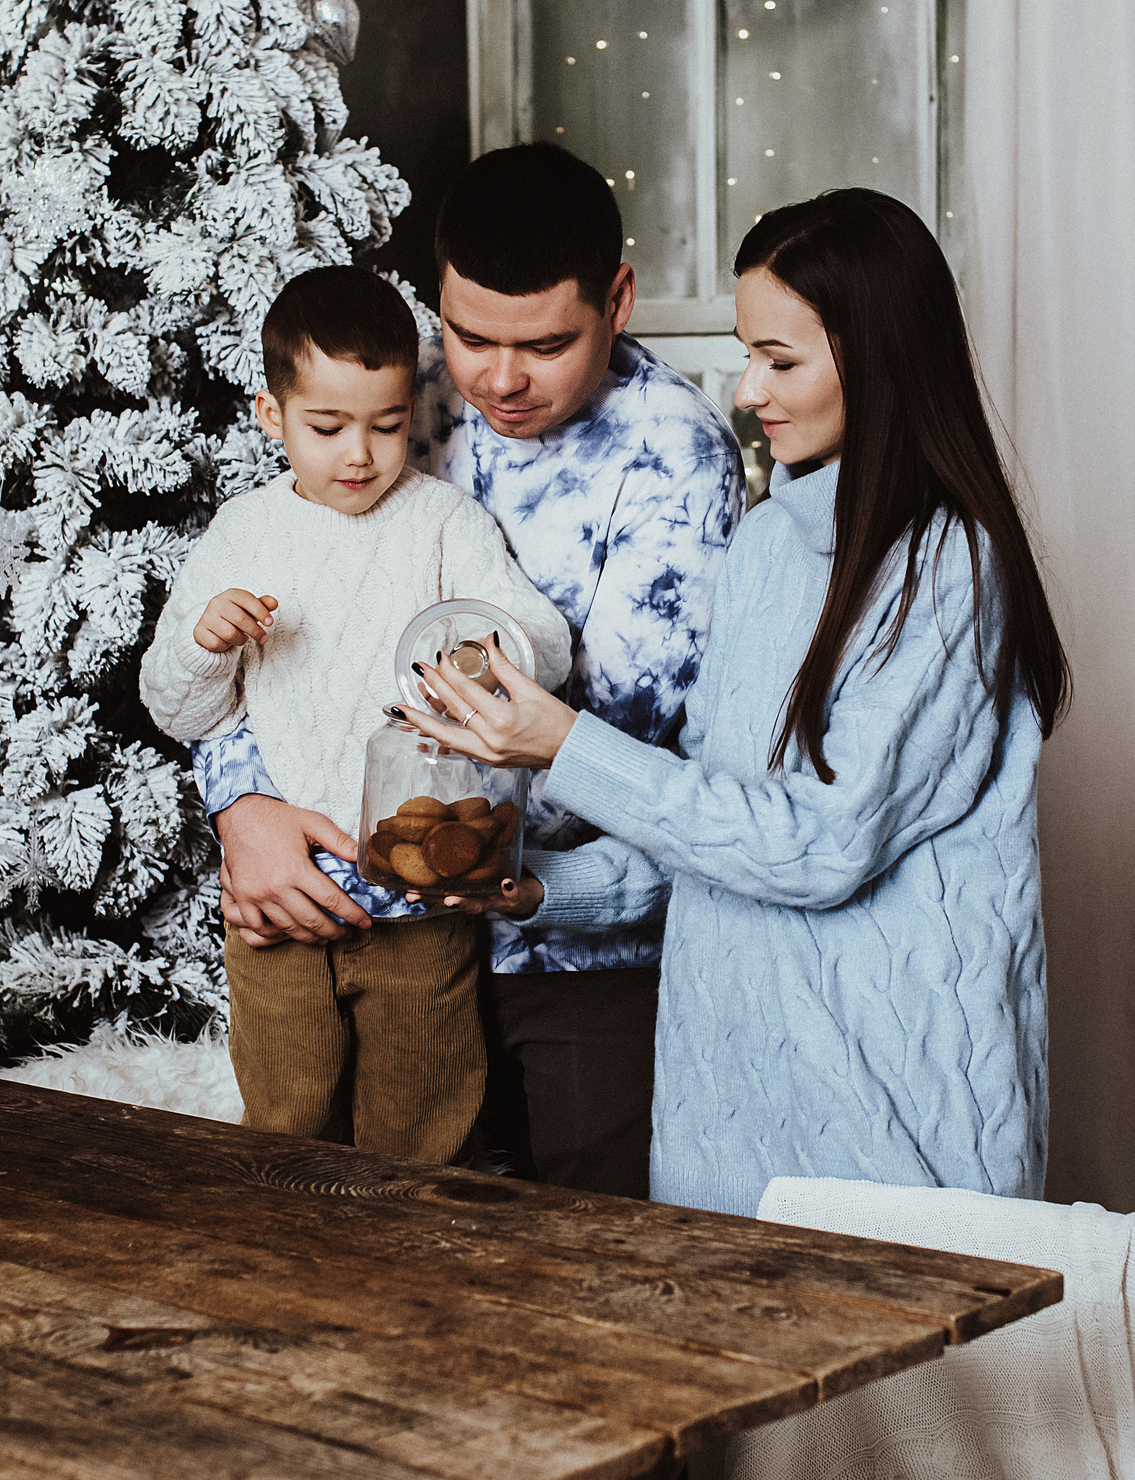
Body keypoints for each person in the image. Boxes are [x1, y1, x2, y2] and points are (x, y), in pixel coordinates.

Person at [396, 188, 1068, 1215]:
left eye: (780, 362)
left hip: (889, 1125)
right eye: (750, 355)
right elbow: (710, 833)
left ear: (880, 358)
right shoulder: (766, 543)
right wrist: (533, 890)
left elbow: (818, 846)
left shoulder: (946, 568)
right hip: (720, 1119)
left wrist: (565, 744)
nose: (749, 391)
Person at [191, 144, 745, 1197]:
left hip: (570, 963)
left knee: (568, 1252)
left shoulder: (676, 457)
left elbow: (641, 753)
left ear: (618, 301)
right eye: (469, 335)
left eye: (545, 344)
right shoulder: (392, 399)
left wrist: (453, 847)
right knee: (320, 1216)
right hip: (355, 926)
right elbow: (259, 608)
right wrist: (244, 808)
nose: (499, 378)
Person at [140, 265, 573, 1162]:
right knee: (287, 1123)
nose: (361, 455)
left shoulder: (445, 521)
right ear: (271, 415)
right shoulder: (245, 530)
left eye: (386, 424)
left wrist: (484, 644)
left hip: (420, 900)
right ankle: (291, 1248)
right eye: (328, 426)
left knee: (424, 1130)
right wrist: (203, 643)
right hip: (283, 906)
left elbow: (543, 643)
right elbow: (179, 710)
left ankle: (409, 1248)